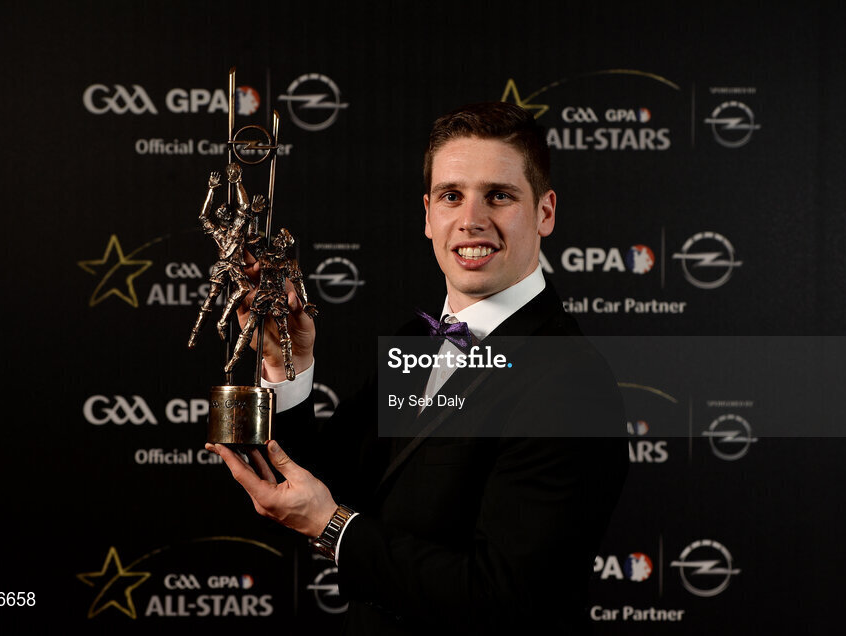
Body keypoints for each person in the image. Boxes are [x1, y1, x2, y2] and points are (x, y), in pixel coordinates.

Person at [205, 102, 627, 634]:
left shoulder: (571, 385)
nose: (471, 220)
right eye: (452, 196)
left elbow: (504, 600)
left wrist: (333, 529)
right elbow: (325, 482)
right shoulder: (417, 338)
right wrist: (285, 363)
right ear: (428, 215)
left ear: (545, 212)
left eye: (499, 195)